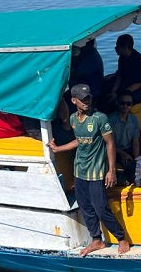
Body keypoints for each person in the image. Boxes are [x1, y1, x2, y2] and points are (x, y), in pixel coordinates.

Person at [47, 84, 130, 257]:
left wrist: (112, 170)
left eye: (89, 98)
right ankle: (97, 240)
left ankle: (121, 237)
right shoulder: (73, 119)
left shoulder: (100, 118)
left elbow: (110, 143)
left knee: (101, 207)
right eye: (83, 99)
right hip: (80, 170)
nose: (87, 102)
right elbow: (79, 141)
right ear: (74, 100)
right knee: (85, 207)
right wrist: (59, 148)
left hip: (97, 171)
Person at [100, 34, 141, 114]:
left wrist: (122, 93)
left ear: (125, 48)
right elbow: (120, 75)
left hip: (139, 90)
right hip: (126, 82)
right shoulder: (122, 58)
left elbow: (138, 84)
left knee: (122, 100)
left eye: (118, 47)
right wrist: (114, 91)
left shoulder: (140, 61)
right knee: (105, 87)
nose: (115, 49)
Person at [107, 92, 141, 182]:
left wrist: (137, 159)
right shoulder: (110, 120)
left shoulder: (133, 119)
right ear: (117, 103)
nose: (125, 106)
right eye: (122, 103)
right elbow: (109, 143)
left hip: (128, 149)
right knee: (129, 169)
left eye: (128, 103)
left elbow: (135, 141)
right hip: (115, 151)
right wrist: (123, 153)